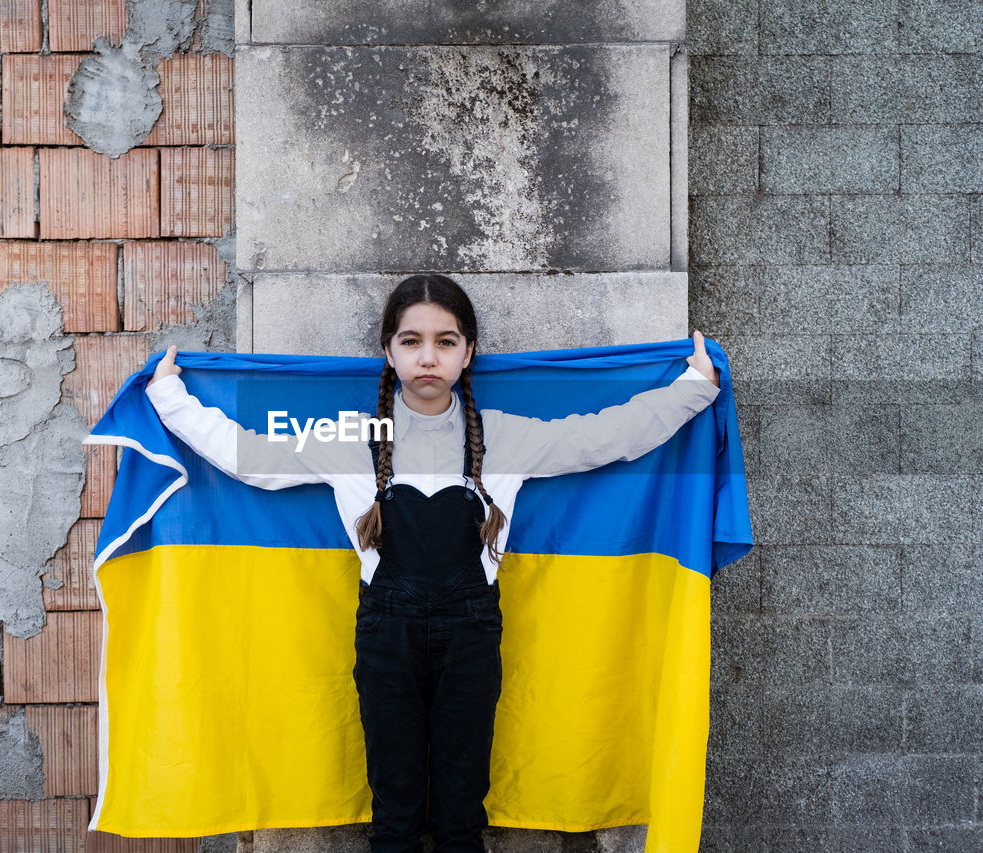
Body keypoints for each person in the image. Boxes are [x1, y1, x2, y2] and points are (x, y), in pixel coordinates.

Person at [143, 274, 721, 852]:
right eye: (411, 341)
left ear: (468, 352)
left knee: (461, 811)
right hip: (384, 636)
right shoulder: (350, 438)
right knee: (393, 812)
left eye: (446, 342)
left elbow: (608, 435)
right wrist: (170, 395)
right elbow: (249, 456)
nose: (428, 357)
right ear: (389, 351)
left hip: (472, 635)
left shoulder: (505, 438)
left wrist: (694, 388)